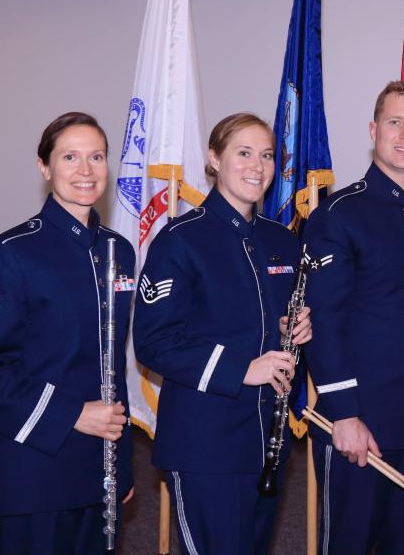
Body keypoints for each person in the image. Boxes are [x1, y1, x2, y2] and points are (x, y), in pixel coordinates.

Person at [0, 112, 136, 554]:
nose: (86, 170)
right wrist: (71, 414)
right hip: (32, 475)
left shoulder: (120, 252)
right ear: (44, 166)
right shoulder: (10, 254)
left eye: (97, 157)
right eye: (70, 157)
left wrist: (124, 463)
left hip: (99, 472)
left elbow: (112, 368)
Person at [302, 81, 404, 555]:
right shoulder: (337, 215)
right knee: (350, 543)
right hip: (361, 421)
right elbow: (324, 321)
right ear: (374, 129)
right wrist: (344, 415)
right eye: (395, 122)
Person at [133, 112, 311, 555]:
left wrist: (300, 329)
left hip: (266, 440)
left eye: (267, 155)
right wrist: (242, 369)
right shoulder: (180, 239)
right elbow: (154, 340)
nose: (258, 166)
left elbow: (273, 325)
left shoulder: (282, 240)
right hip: (205, 444)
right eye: (244, 153)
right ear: (214, 159)